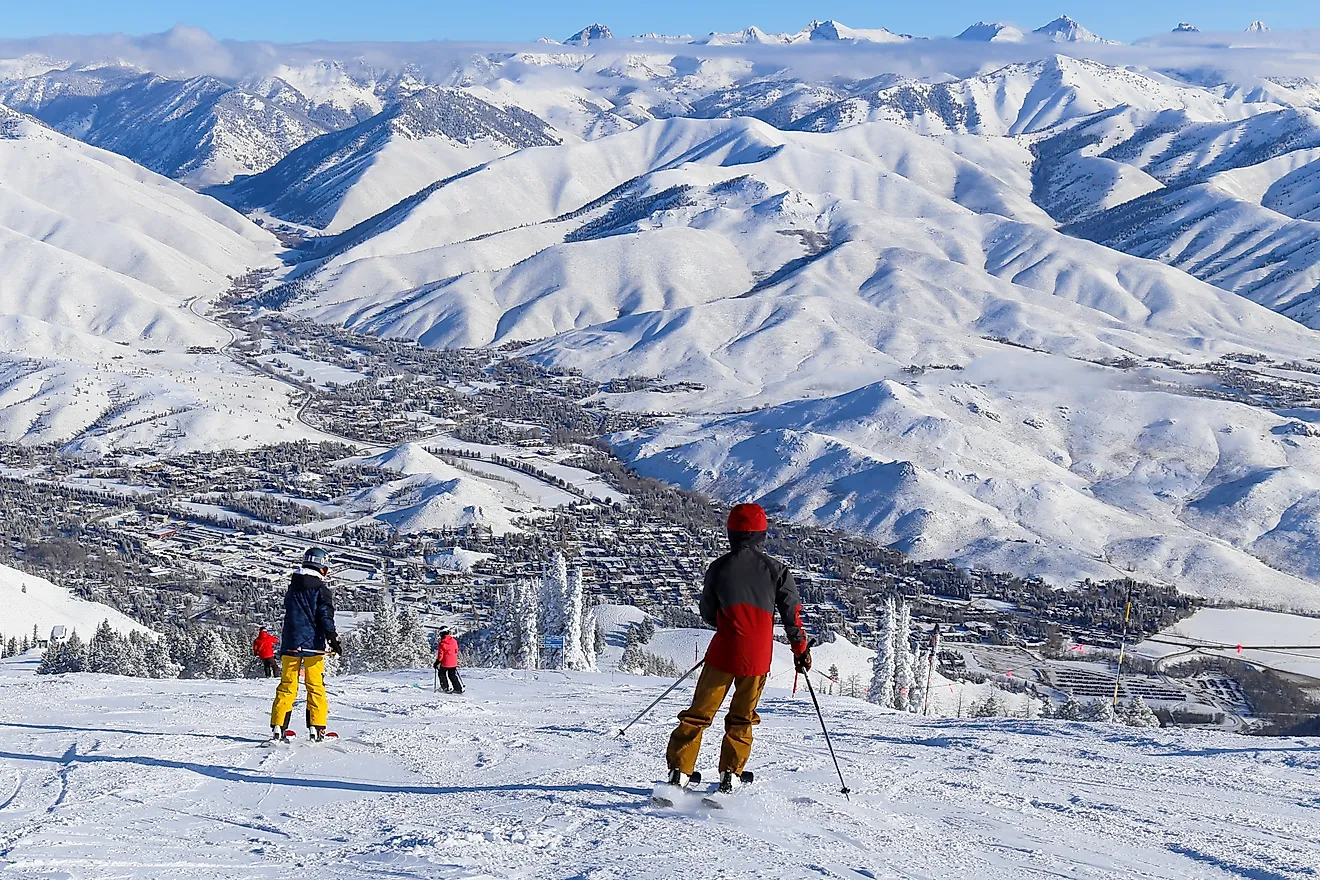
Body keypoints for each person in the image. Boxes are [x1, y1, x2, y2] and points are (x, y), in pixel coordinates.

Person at [666, 503, 810, 793]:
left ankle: (680, 772)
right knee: (742, 716)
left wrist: (729, 625)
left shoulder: (718, 567)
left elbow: (708, 612)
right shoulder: (777, 571)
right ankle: (730, 774)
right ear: (762, 534)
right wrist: (801, 651)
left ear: (731, 532)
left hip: (723, 653)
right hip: (757, 658)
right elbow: (792, 615)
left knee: (699, 713)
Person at [269, 547, 342, 742]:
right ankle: (316, 729)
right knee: (315, 686)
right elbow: (325, 616)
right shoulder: (320, 589)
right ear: (322, 566)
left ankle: (278, 727)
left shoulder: (293, 587)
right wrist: (332, 638)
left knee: (287, 686)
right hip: (313, 646)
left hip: (291, 644)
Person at [433, 628, 463, 694]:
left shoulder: (442, 643)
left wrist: (437, 662)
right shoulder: (454, 641)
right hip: (453, 662)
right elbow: (456, 650)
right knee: (452, 675)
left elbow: (441, 655)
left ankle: (445, 687)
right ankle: (458, 688)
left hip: (445, 662)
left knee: (441, 674)